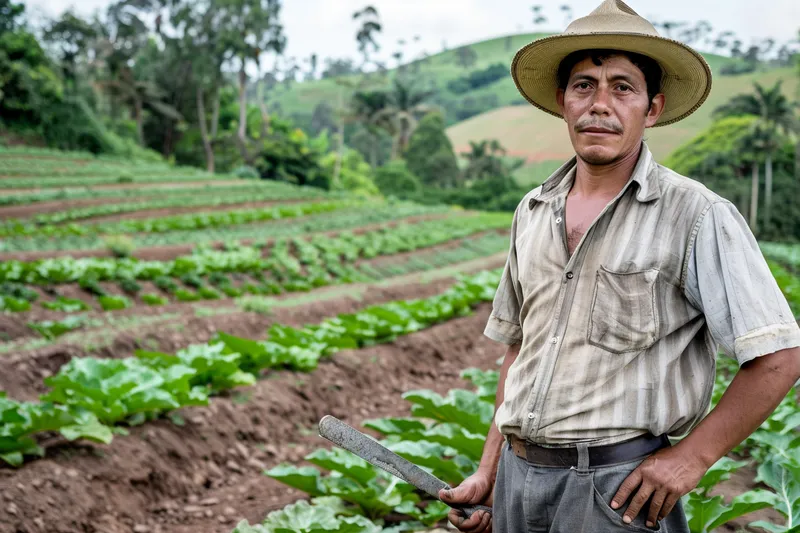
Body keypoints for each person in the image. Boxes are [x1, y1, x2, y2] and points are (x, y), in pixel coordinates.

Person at [438, 1, 800, 532]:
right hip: (519, 483)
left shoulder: (695, 214)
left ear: (651, 109)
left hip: (617, 492)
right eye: (584, 85)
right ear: (563, 102)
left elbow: (779, 356)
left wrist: (691, 458)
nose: (599, 104)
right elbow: (521, 349)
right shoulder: (533, 211)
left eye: (622, 87)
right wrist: (490, 474)